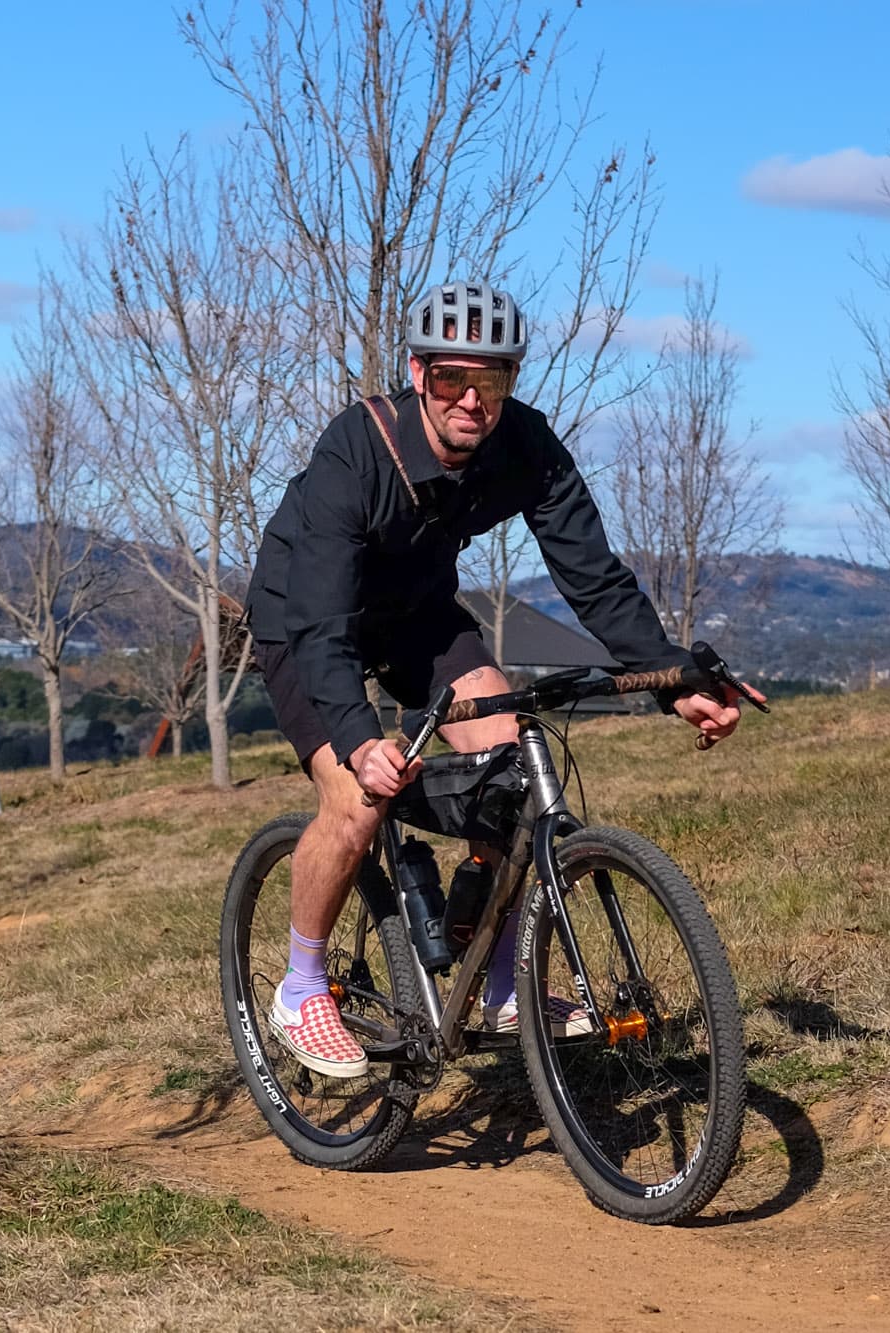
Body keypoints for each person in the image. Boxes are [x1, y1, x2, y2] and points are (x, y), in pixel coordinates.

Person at [245, 279, 758, 1078]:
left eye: (492, 382)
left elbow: (595, 579)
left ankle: (499, 975)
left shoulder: (526, 445)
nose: (471, 401)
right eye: (452, 379)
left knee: (513, 762)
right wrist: (356, 739)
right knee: (356, 799)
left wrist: (673, 679)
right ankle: (301, 985)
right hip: (304, 619)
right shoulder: (356, 451)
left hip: (416, 615)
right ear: (418, 376)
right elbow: (320, 622)